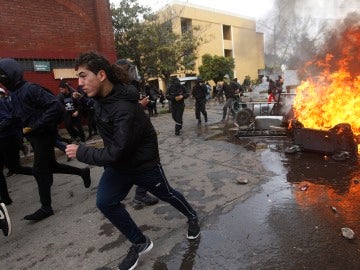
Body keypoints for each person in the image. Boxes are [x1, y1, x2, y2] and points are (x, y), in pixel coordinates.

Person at [66, 52, 200, 270]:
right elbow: (101, 119)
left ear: (101, 75)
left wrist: (82, 152)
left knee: (167, 194)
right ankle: (140, 242)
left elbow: (115, 152)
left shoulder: (125, 108)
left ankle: (192, 216)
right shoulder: (100, 99)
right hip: (119, 166)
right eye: (78, 78)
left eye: (83, 76)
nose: (79, 83)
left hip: (142, 165)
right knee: (105, 201)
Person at [0, 58, 92, 221]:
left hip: (44, 134)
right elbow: (17, 115)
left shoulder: (30, 89)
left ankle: (46, 207)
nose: (2, 80)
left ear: (10, 75)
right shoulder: (13, 94)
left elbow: (55, 107)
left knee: (39, 170)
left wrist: (35, 125)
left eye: (3, 76)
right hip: (34, 136)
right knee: (51, 166)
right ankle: (82, 172)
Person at [115, 59, 159, 208]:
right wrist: (140, 106)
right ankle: (139, 195)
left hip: (131, 133)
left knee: (137, 164)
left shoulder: (124, 86)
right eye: (130, 70)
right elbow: (124, 113)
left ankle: (137, 194)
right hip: (133, 133)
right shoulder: (122, 87)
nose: (133, 73)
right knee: (148, 163)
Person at [0, 90, 33, 205]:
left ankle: (41, 173)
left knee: (15, 168)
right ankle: (5, 199)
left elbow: (9, 118)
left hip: (7, 138)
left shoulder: (1, 102)